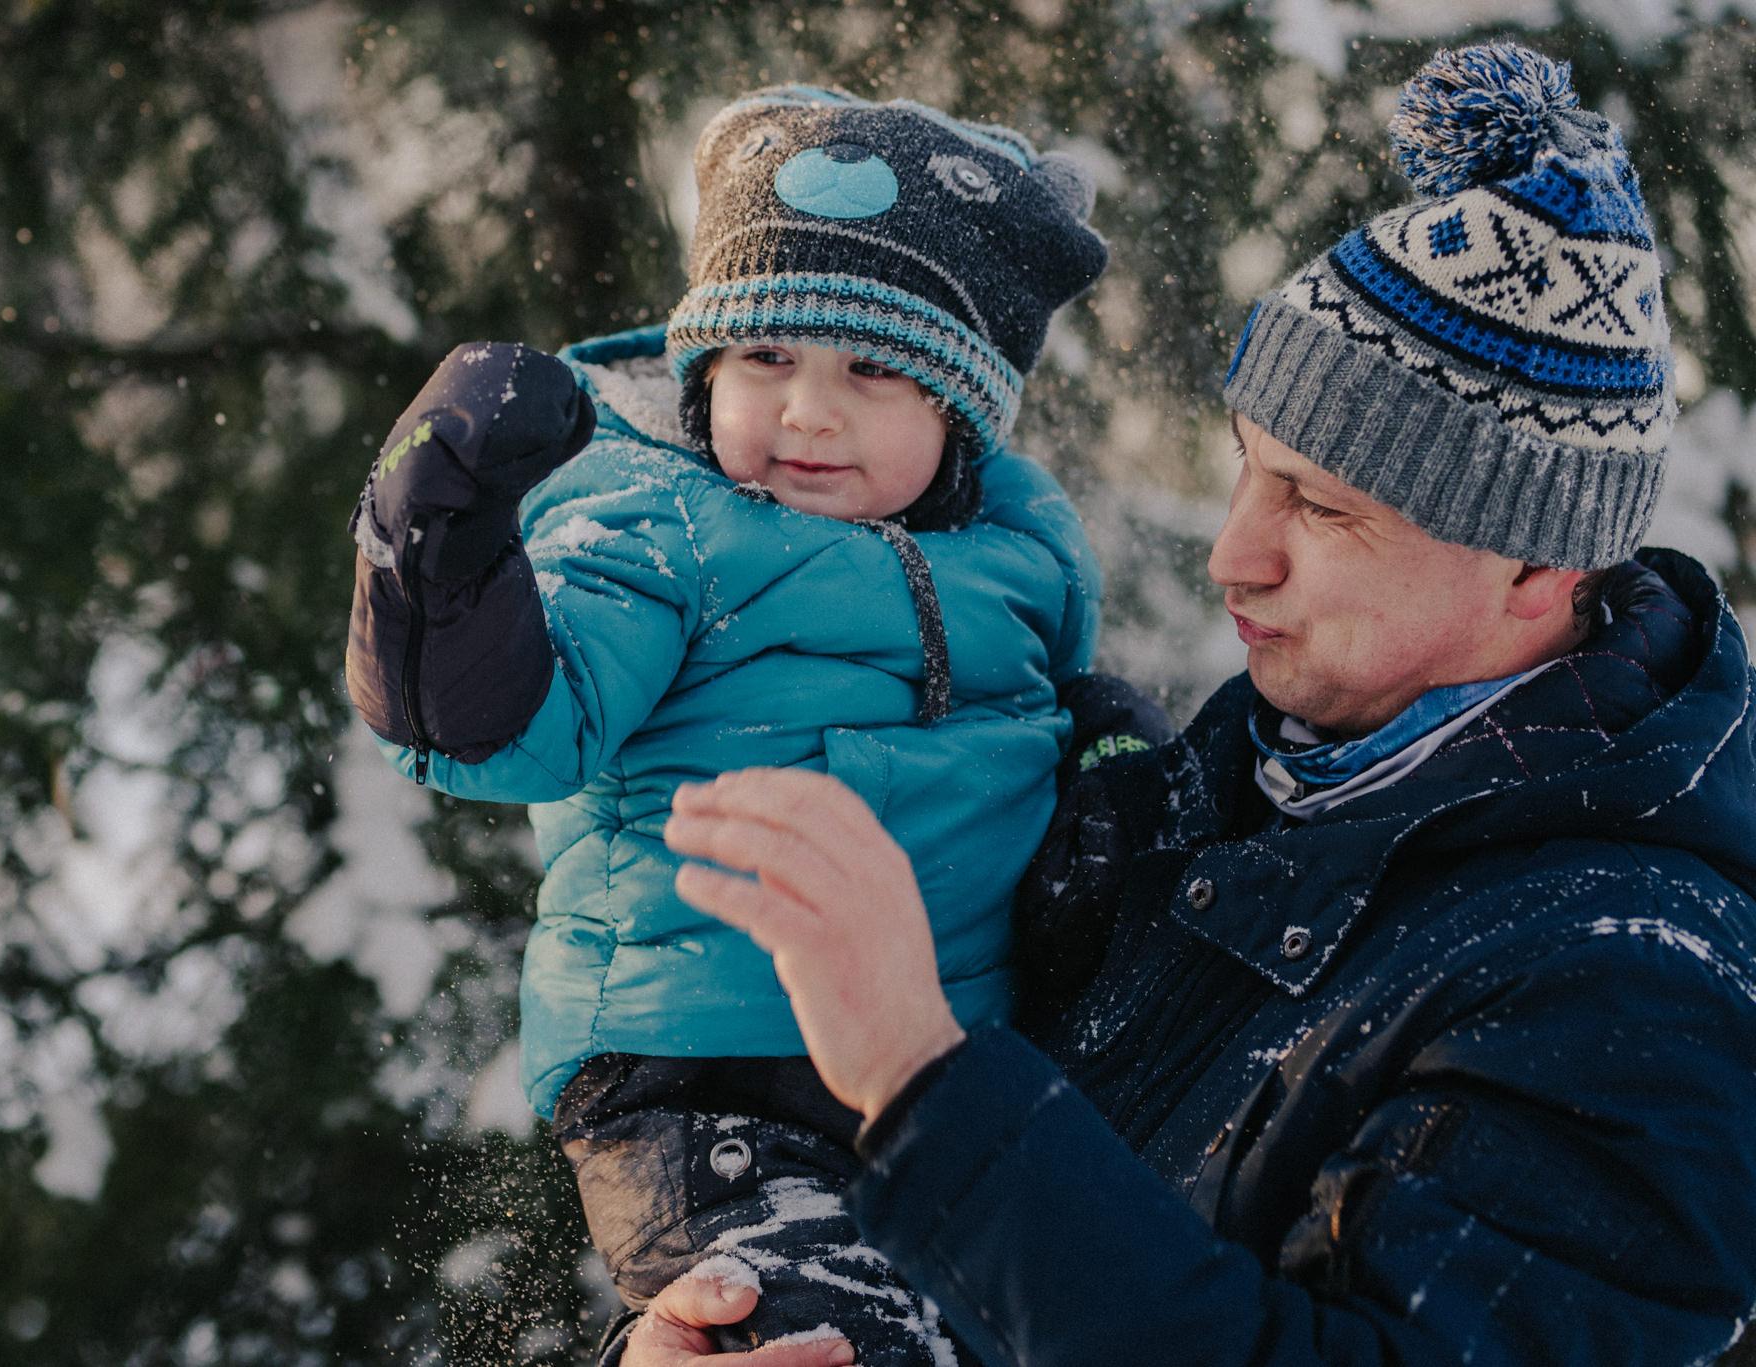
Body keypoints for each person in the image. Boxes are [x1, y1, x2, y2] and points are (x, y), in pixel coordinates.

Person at [649, 41, 1756, 1367]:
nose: (1235, 554)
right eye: (1251, 470)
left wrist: (921, 1076)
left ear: (1536, 563)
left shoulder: (1631, 988)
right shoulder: (1213, 798)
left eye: (1323, 506)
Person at [342, 89, 1119, 1358]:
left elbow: (1067, 708)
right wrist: (438, 554)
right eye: (766, 359)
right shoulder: (660, 524)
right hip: (699, 1062)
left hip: (941, 1054)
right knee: (829, 1333)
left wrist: (1121, 774)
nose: (807, 411)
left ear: (961, 411)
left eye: (870, 370)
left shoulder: (1024, 547)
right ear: (707, 365)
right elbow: (514, 726)